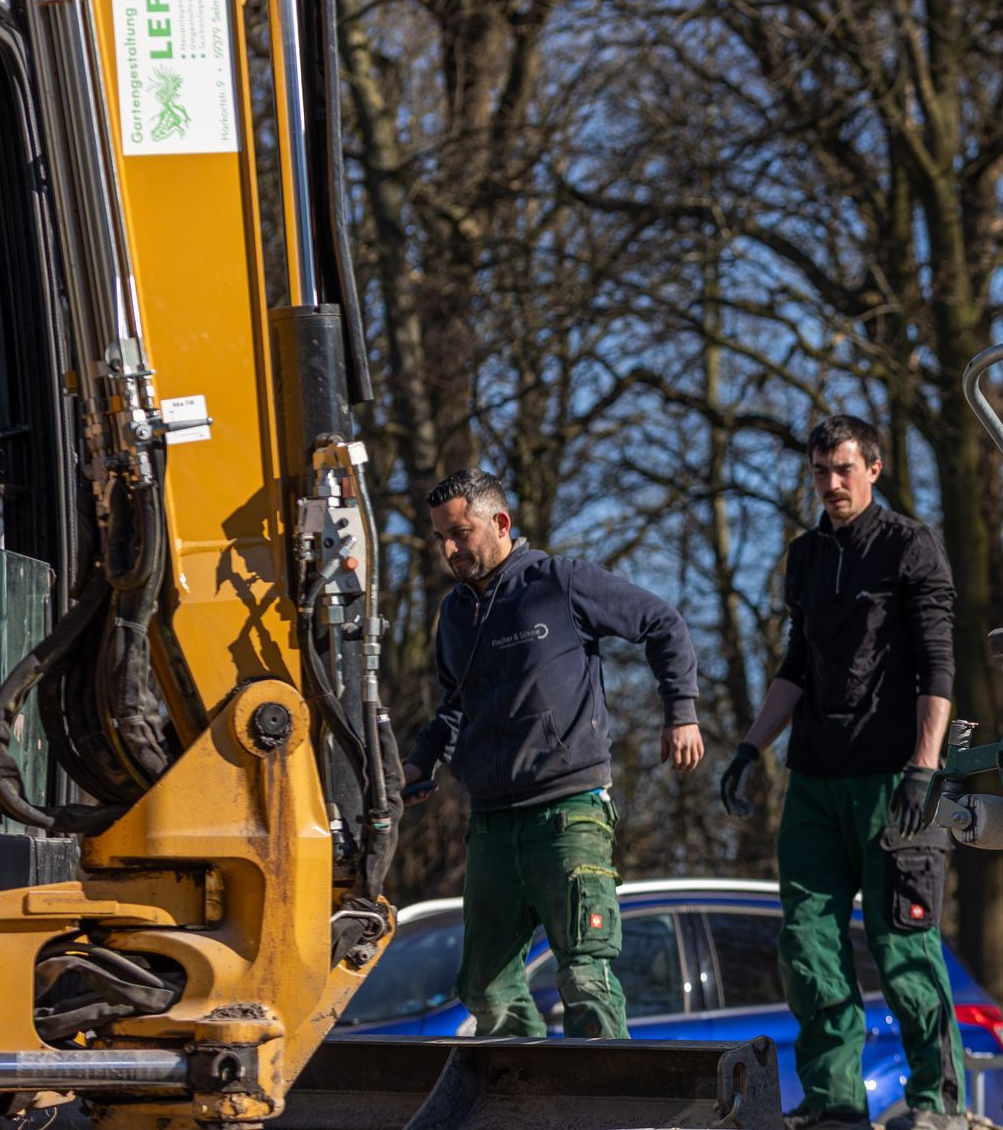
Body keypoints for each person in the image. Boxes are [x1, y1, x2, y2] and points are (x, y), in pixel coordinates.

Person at [720, 416, 968, 1130]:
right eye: (820, 472)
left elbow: (937, 662)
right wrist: (749, 747)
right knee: (808, 945)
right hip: (815, 781)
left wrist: (925, 767)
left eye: (843, 470)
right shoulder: (804, 557)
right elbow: (797, 665)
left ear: (875, 468)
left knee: (903, 945)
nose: (830, 484)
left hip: (893, 778)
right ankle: (834, 1104)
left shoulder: (909, 546)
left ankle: (935, 1102)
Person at [401, 467, 704, 1039]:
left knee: (585, 979)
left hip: (568, 814)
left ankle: (605, 1113)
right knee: (483, 988)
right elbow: (453, 707)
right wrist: (420, 762)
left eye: (460, 533)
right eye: (440, 536)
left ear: (501, 523)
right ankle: (523, 1107)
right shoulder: (454, 617)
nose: (449, 548)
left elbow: (662, 623)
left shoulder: (557, 583)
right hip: (491, 823)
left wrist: (681, 712)